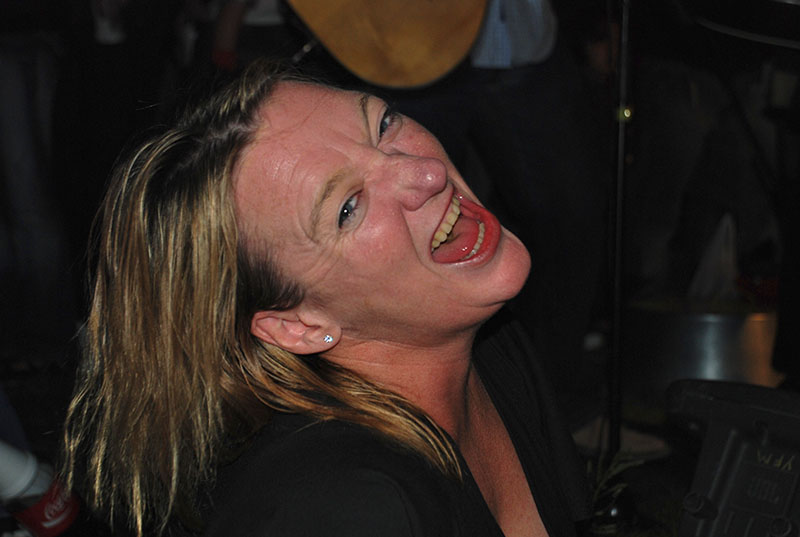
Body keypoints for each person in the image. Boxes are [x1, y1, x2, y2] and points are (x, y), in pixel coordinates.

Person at [61, 61, 591, 537]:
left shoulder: (486, 341)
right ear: (298, 326)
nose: (427, 172)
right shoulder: (347, 506)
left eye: (383, 124)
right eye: (347, 208)